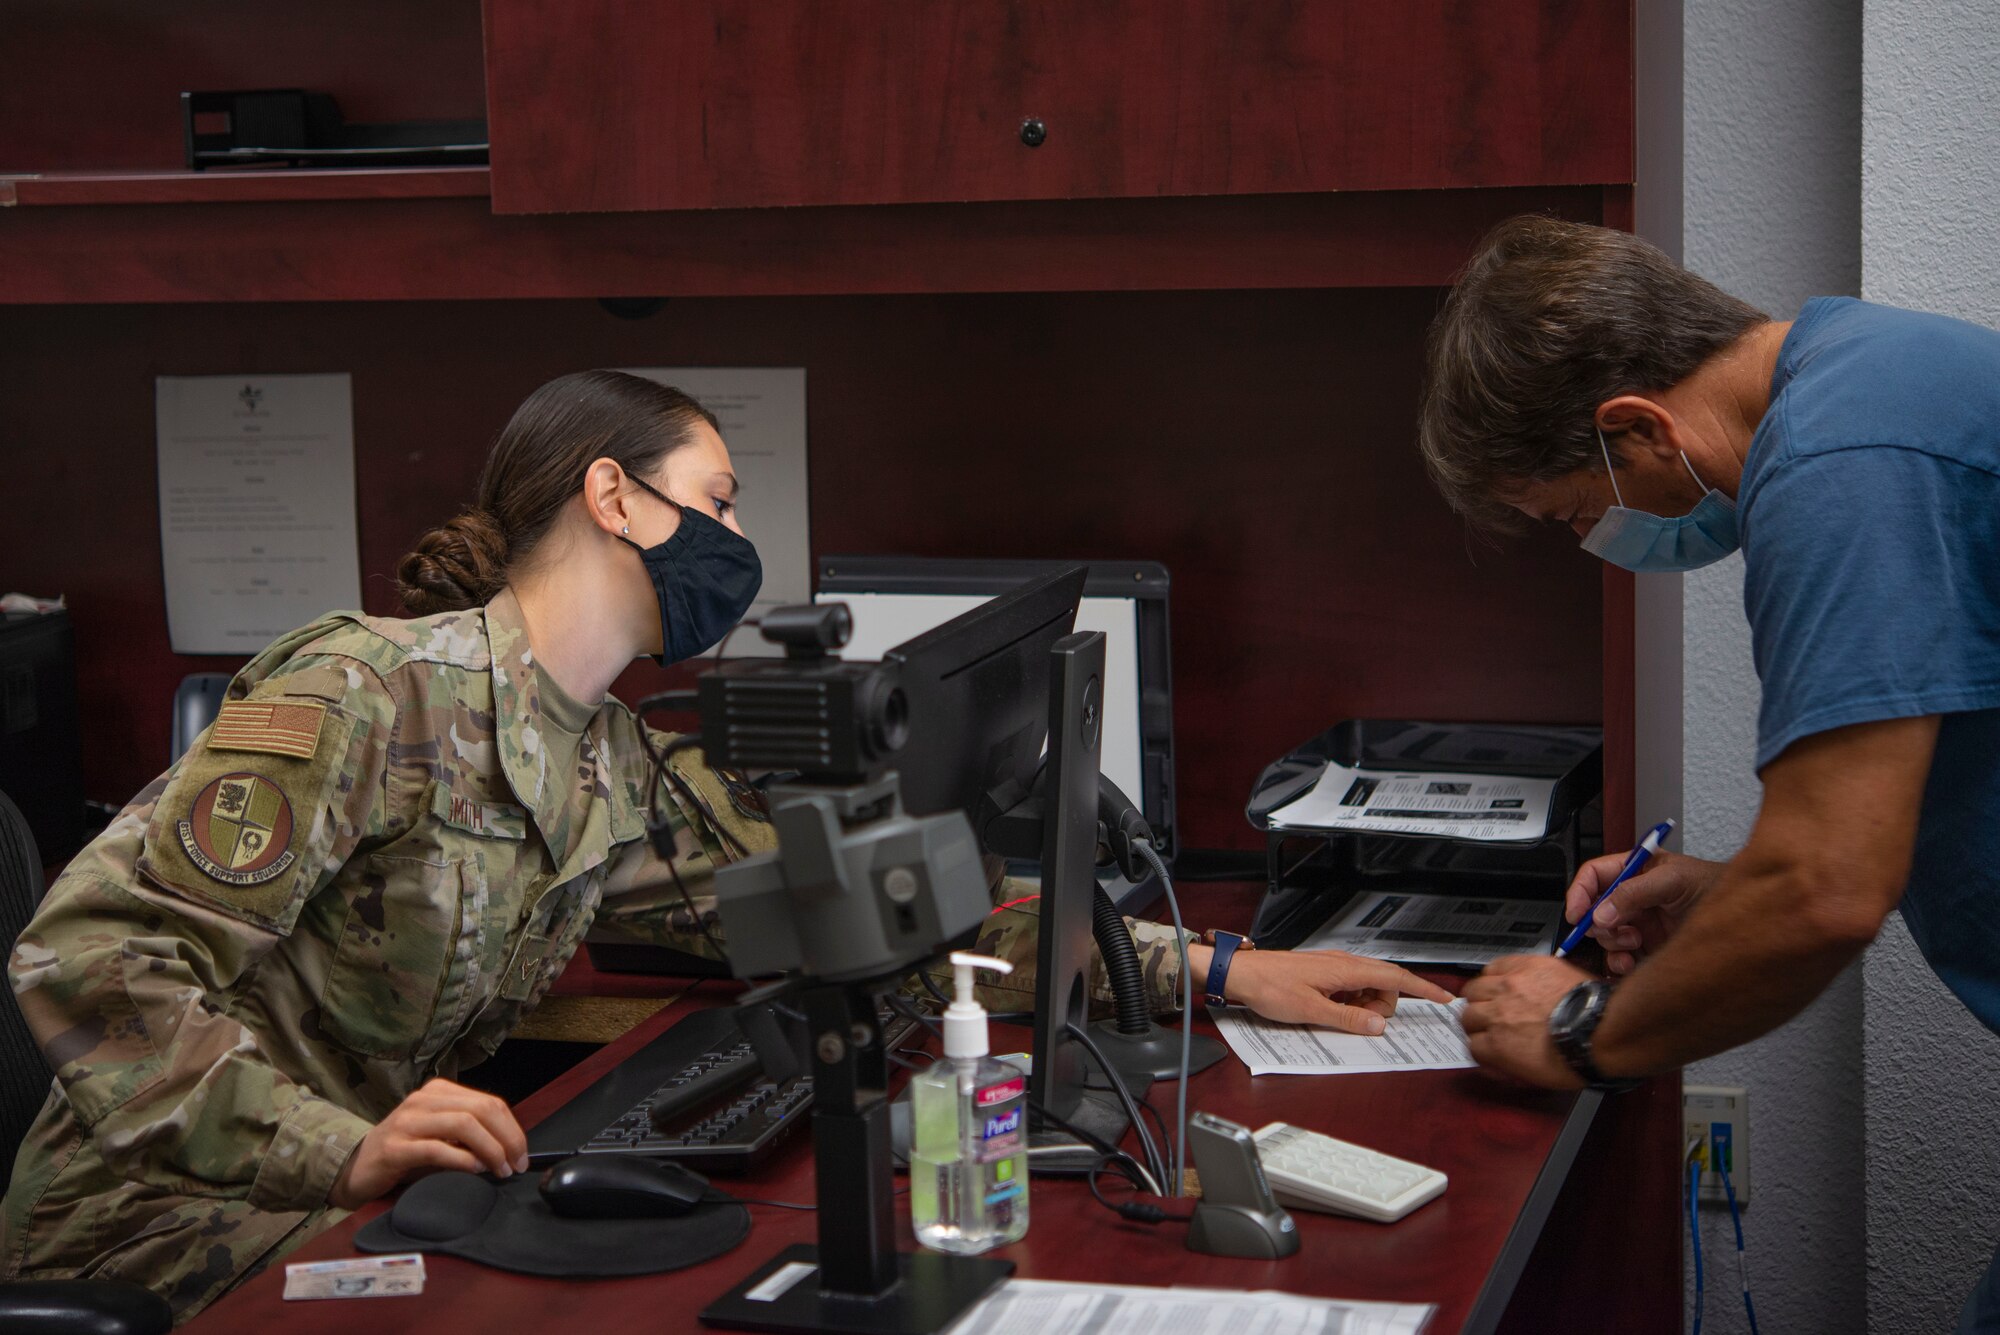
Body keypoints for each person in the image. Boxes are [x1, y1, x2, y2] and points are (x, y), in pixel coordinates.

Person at [3, 369, 1442, 1322]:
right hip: (175, 1224)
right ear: (614, 497)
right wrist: (341, 1141)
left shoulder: (605, 758)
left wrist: (1214, 961)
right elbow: (85, 955)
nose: (739, 533)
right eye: (721, 492)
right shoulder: (367, 689)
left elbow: (863, 911)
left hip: (381, 1195)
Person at [1420, 216, 2000, 1328]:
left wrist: (1579, 1033)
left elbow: (1825, 890)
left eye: (1580, 513)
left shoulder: (1839, 466)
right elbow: (1878, 813)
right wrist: (1720, 890)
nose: (1602, 539)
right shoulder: (1869, 373)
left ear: (1634, 424)